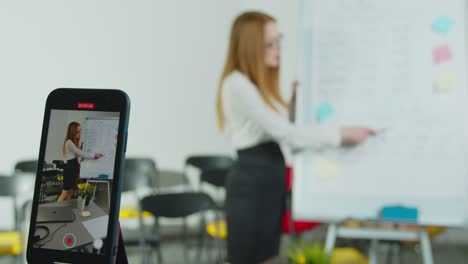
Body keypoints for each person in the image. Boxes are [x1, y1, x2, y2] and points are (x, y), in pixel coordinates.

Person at [216, 11, 376, 264]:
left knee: (268, 256)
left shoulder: (257, 84)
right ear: (250, 46)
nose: (278, 49)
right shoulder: (237, 84)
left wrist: (293, 102)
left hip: (269, 179)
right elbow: (285, 132)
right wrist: (341, 134)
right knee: (247, 258)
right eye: (269, 44)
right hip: (252, 181)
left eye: (279, 40)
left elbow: (279, 126)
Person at [57, 122, 103, 202]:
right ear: (73, 132)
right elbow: (81, 154)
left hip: (73, 167)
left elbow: (77, 156)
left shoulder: (72, 143)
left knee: (70, 192)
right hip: (70, 168)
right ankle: (56, 211)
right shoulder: (69, 142)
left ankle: (66, 209)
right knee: (64, 193)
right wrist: (93, 155)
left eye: (80, 131)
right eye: (78, 131)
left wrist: (81, 150)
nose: (80, 133)